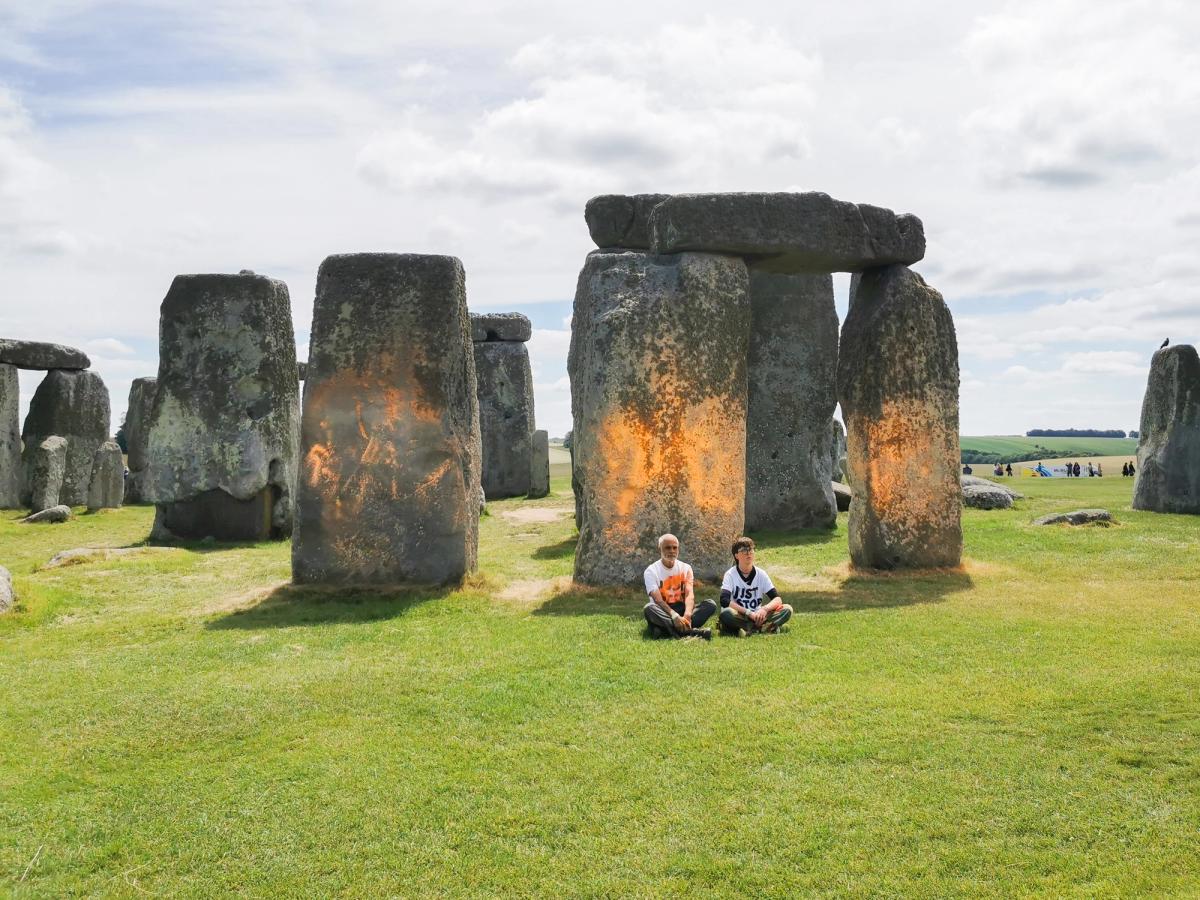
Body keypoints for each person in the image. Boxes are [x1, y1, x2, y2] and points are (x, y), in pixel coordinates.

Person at [643, 533, 714, 640]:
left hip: (681, 608)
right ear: (660, 549)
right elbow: (657, 600)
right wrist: (674, 616)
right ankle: (690, 632)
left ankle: (664, 629)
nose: (672, 550)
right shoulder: (651, 571)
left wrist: (687, 615)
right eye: (667, 548)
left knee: (710, 604)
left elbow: (689, 594)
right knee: (649, 608)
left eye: (674, 547)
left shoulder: (686, 568)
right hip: (663, 610)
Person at [718, 537, 793, 636]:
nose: (749, 553)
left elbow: (777, 598)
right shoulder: (730, 574)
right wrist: (749, 613)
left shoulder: (761, 574)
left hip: (758, 615)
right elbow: (724, 600)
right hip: (740, 615)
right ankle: (766, 628)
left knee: (787, 609)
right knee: (727, 613)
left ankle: (749, 629)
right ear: (736, 555)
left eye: (751, 549)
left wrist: (764, 610)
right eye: (744, 550)